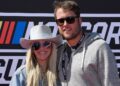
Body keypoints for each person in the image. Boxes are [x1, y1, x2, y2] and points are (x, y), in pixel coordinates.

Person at [53, 0, 120, 86]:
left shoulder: (99, 47)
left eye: (70, 19)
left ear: (80, 21)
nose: (65, 24)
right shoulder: (59, 51)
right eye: (61, 21)